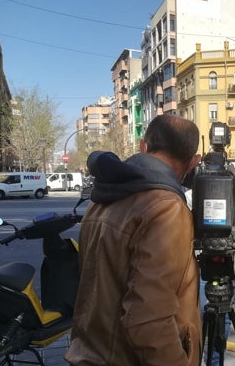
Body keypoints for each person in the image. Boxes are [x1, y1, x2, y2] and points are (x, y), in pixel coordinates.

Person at [65, 114, 203, 366]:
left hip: (89, 354)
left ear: (143, 146)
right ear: (194, 161)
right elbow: (148, 319)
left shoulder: (102, 199)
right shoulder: (166, 208)